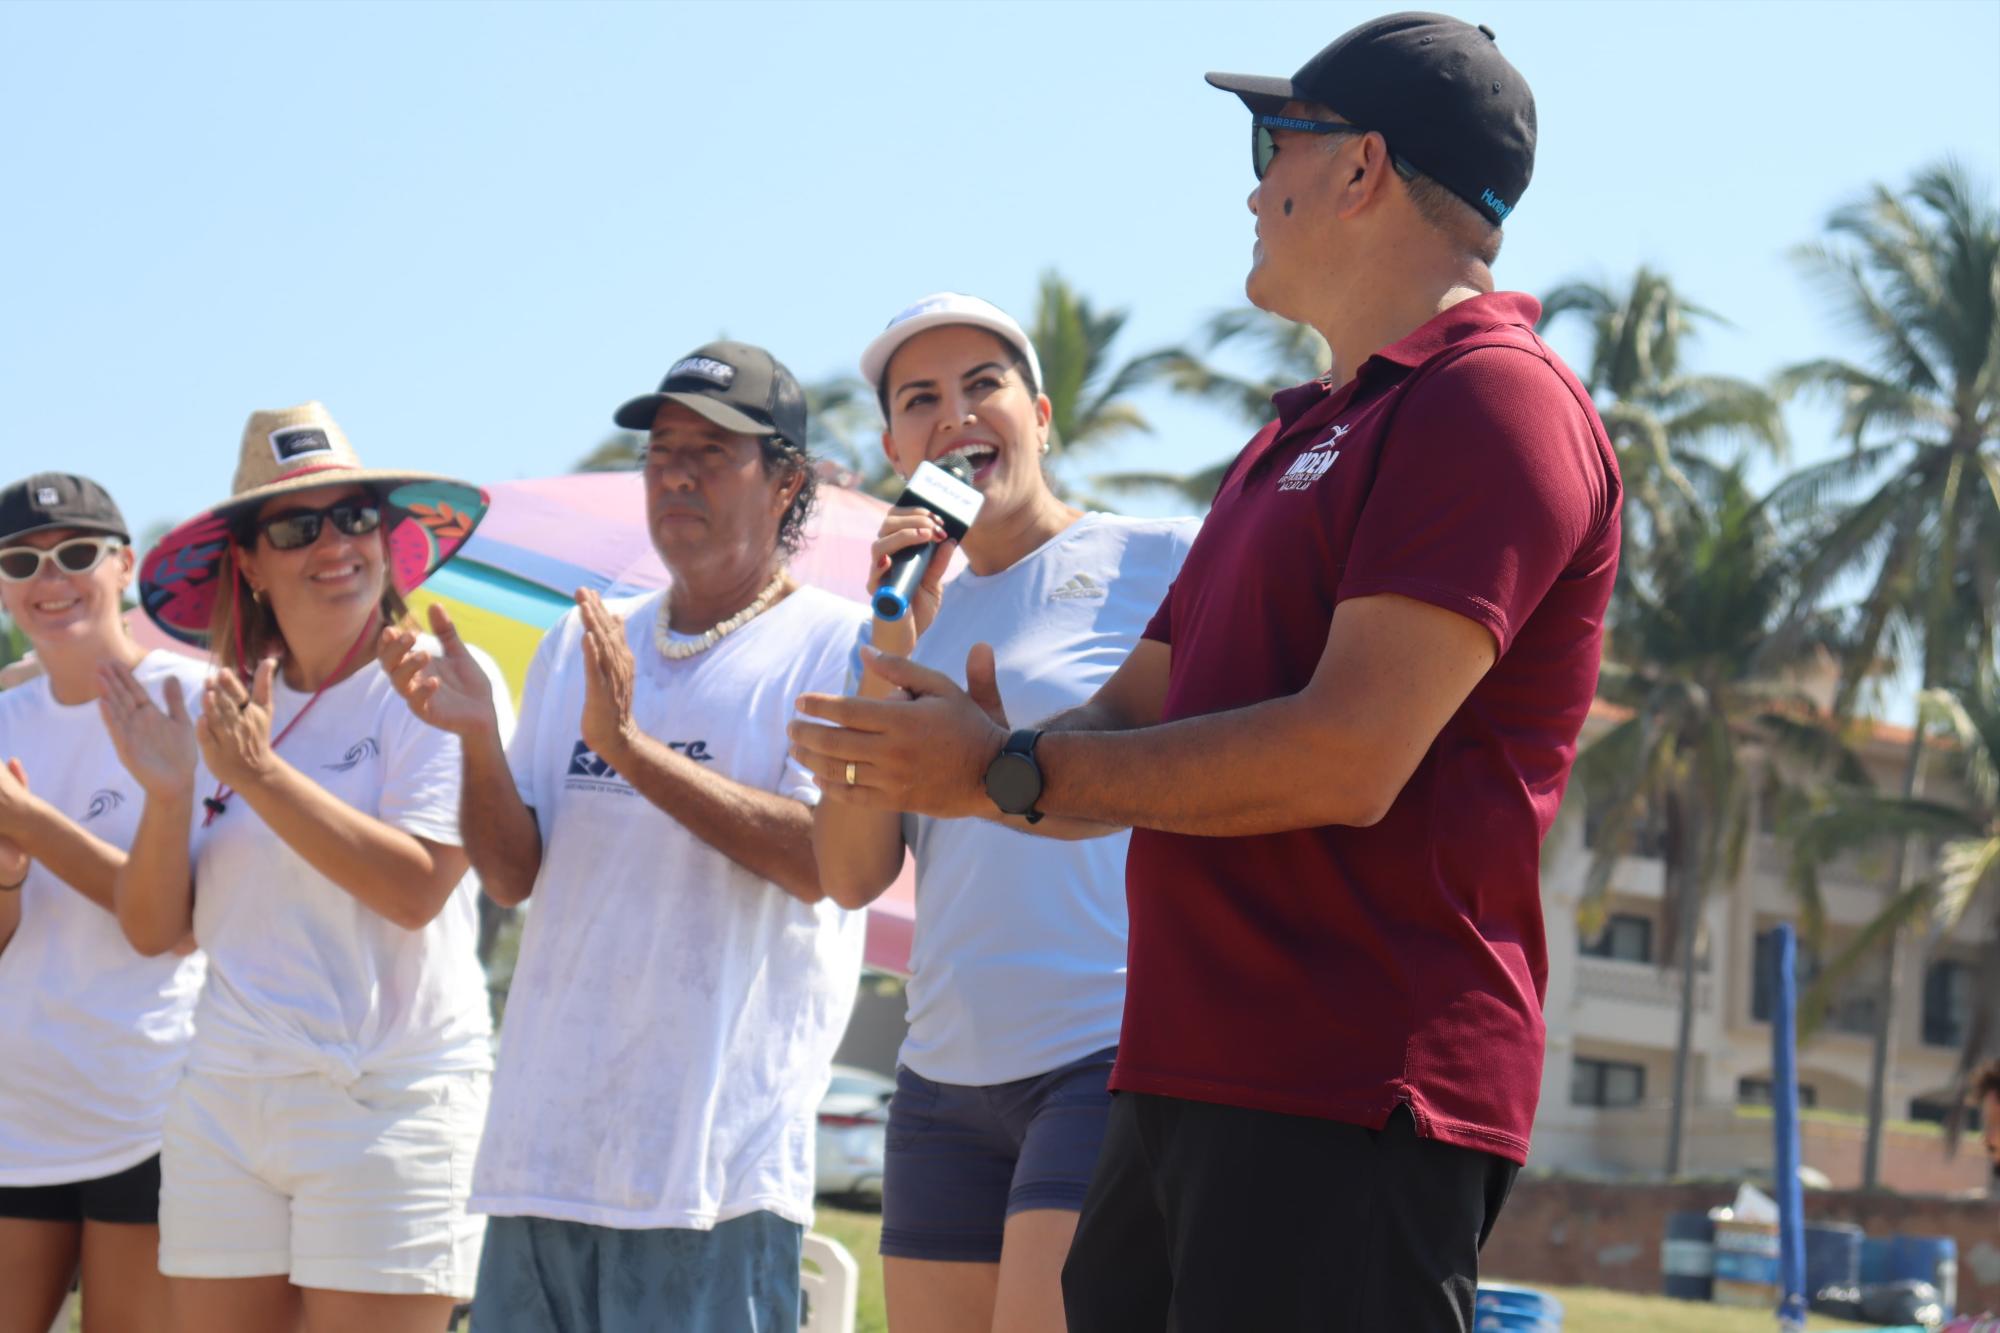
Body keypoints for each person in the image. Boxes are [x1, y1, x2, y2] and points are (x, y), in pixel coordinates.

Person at [791, 14, 1622, 1332]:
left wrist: (1009, 765)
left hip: (1354, 1090)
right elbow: (1126, 718)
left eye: (1270, 143)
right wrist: (975, 753)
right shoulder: (1291, 435)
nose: (1250, 187)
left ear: (1358, 169)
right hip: (1181, 1082)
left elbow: (1348, 757)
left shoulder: (1494, 401)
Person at [379, 341, 869, 1333]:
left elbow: (822, 860)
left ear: (787, 485)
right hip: (541, 1157)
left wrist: (634, 749)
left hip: (709, 1174)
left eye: (711, 451)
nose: (676, 472)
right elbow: (512, 876)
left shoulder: (839, 644)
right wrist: (476, 739)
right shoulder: (580, 639)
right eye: (659, 451)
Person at [810, 294, 1197, 1333]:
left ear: (1041, 410)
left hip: (1099, 1051)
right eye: (920, 399)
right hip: (938, 1079)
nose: (955, 415)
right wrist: (887, 650)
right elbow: (848, 873)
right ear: (895, 445)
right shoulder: (896, 615)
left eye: (982, 384)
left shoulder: (1160, 557)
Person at [101, 403, 501, 1333]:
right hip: (225, 1104)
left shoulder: (437, 682)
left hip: (387, 1103)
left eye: (355, 516)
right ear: (249, 560)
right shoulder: (222, 711)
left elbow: (415, 889)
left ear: (386, 535)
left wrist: (261, 775)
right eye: (296, 525)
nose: (335, 544)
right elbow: (158, 931)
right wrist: (169, 795)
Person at [0, 474, 205, 1333]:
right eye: (22, 560)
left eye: (78, 553)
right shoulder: (6, 716)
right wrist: (9, 870)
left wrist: (33, 827)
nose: (52, 579)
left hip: (152, 1106)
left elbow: (176, 925)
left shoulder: (195, 700)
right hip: (16, 1112)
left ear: (124, 565)